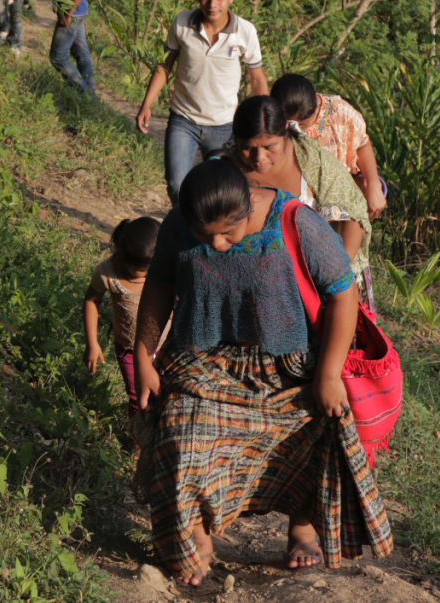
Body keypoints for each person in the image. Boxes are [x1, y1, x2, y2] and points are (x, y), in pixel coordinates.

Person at [133, 159, 392, 586]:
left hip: (287, 366)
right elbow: (159, 285)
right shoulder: (180, 223)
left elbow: (343, 295)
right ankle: (196, 536)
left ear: (250, 203)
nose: (216, 244)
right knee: (181, 430)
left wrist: (327, 375)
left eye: (228, 233)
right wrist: (144, 357)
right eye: (205, 235)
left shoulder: (296, 222)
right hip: (206, 362)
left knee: (317, 430)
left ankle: (302, 528)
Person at [227, 96, 376, 309]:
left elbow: (353, 216)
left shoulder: (312, 160)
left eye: (270, 146)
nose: (259, 157)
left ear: (286, 134)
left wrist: (335, 278)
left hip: (322, 286)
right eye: (248, 148)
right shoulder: (226, 170)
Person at [135, 0, 269, 206]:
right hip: (183, 120)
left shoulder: (244, 31)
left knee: (220, 190)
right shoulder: (182, 23)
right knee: (177, 184)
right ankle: (186, 229)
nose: (212, 3)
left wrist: (264, 124)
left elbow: (256, 78)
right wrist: (146, 104)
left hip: (224, 126)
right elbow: (165, 65)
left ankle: (207, 233)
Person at [271, 73, 387, 221]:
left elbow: (361, 144)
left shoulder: (341, 113)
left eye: (301, 124)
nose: (294, 128)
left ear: (314, 108)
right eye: (288, 123)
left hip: (337, 195)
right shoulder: (270, 118)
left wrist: (373, 185)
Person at [83, 218, 166, 419]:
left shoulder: (166, 267)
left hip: (166, 347)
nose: (143, 277)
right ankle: (136, 445)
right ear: (122, 256)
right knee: (139, 399)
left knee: (165, 396)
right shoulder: (108, 273)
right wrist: (92, 344)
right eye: (138, 272)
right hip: (129, 348)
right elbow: (91, 301)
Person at [50, 0, 96, 98]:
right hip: (79, 10)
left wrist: (68, 13)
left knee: (58, 57)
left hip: (72, 12)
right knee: (82, 53)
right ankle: (91, 94)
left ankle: (87, 96)